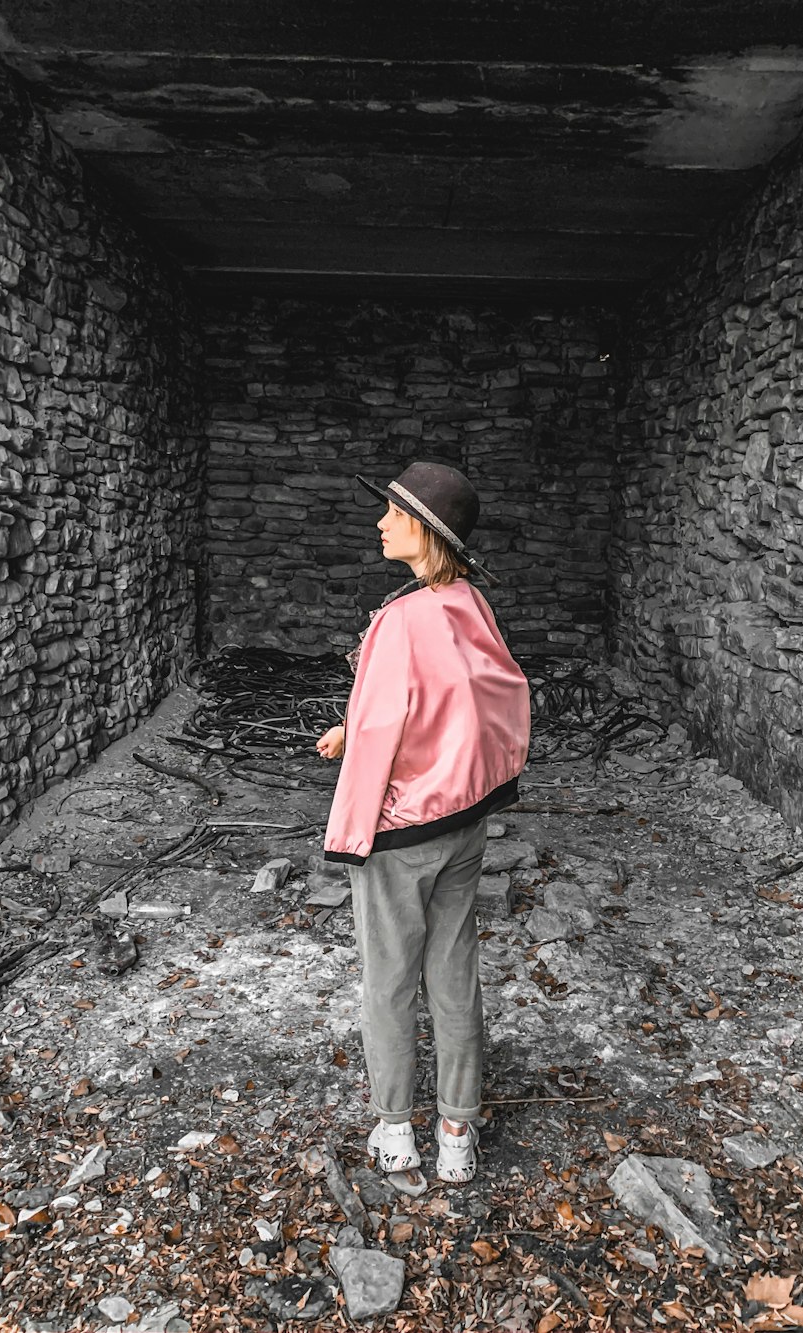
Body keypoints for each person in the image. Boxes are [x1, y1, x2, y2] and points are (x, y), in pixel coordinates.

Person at [316, 461, 531, 1183]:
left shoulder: (398, 621)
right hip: (464, 823)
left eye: (393, 513)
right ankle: (457, 1137)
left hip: (401, 833)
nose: (380, 522)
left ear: (423, 531)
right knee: (453, 972)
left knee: (387, 981)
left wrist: (350, 831)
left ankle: (395, 1132)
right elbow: (483, 694)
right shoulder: (470, 606)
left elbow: (384, 725)